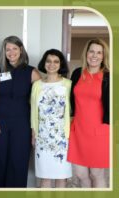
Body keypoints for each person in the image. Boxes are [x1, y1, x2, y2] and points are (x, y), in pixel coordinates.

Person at [0, 36, 41, 187]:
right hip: (1, 124)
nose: (11, 52)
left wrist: (34, 128)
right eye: (8, 49)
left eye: (14, 49)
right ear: (4, 52)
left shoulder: (32, 72)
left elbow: (40, 101)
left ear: (21, 50)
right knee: (2, 161)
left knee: (18, 162)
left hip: (23, 123)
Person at [67, 38, 110, 188]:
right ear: (86, 53)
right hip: (78, 130)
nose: (95, 55)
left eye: (99, 52)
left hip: (100, 131)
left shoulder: (108, 77)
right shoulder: (78, 73)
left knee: (96, 174)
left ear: (104, 56)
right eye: (92, 51)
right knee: (80, 174)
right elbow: (70, 99)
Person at [30, 49, 72, 188]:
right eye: (48, 61)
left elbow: (73, 110)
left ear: (61, 64)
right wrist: (33, 131)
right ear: (44, 63)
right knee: (45, 178)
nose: (52, 64)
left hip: (62, 138)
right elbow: (33, 111)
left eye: (56, 61)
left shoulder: (68, 84)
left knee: (61, 178)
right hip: (42, 136)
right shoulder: (37, 85)